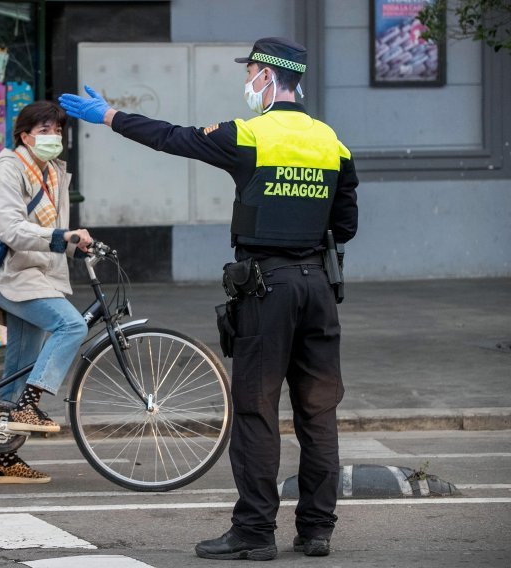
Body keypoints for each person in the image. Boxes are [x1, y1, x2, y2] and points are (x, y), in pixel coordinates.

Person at [59, 37, 358, 560]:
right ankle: (316, 531)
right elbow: (347, 226)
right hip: (318, 290)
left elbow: (173, 138)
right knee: (318, 414)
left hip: (268, 289)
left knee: (257, 410)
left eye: (252, 72)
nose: (248, 81)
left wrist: (108, 115)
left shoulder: (248, 134)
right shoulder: (331, 140)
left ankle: (254, 533)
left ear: (267, 76)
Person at [0, 100, 93, 484]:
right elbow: (12, 229)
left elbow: (55, 231)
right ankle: (28, 408)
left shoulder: (53, 172)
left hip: (38, 275)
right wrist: (61, 237)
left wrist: (76, 242)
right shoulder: (8, 170)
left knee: (17, 371)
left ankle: (5, 459)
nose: (52, 137)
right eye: (43, 131)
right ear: (24, 136)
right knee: (72, 327)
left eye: (57, 130)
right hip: (12, 276)